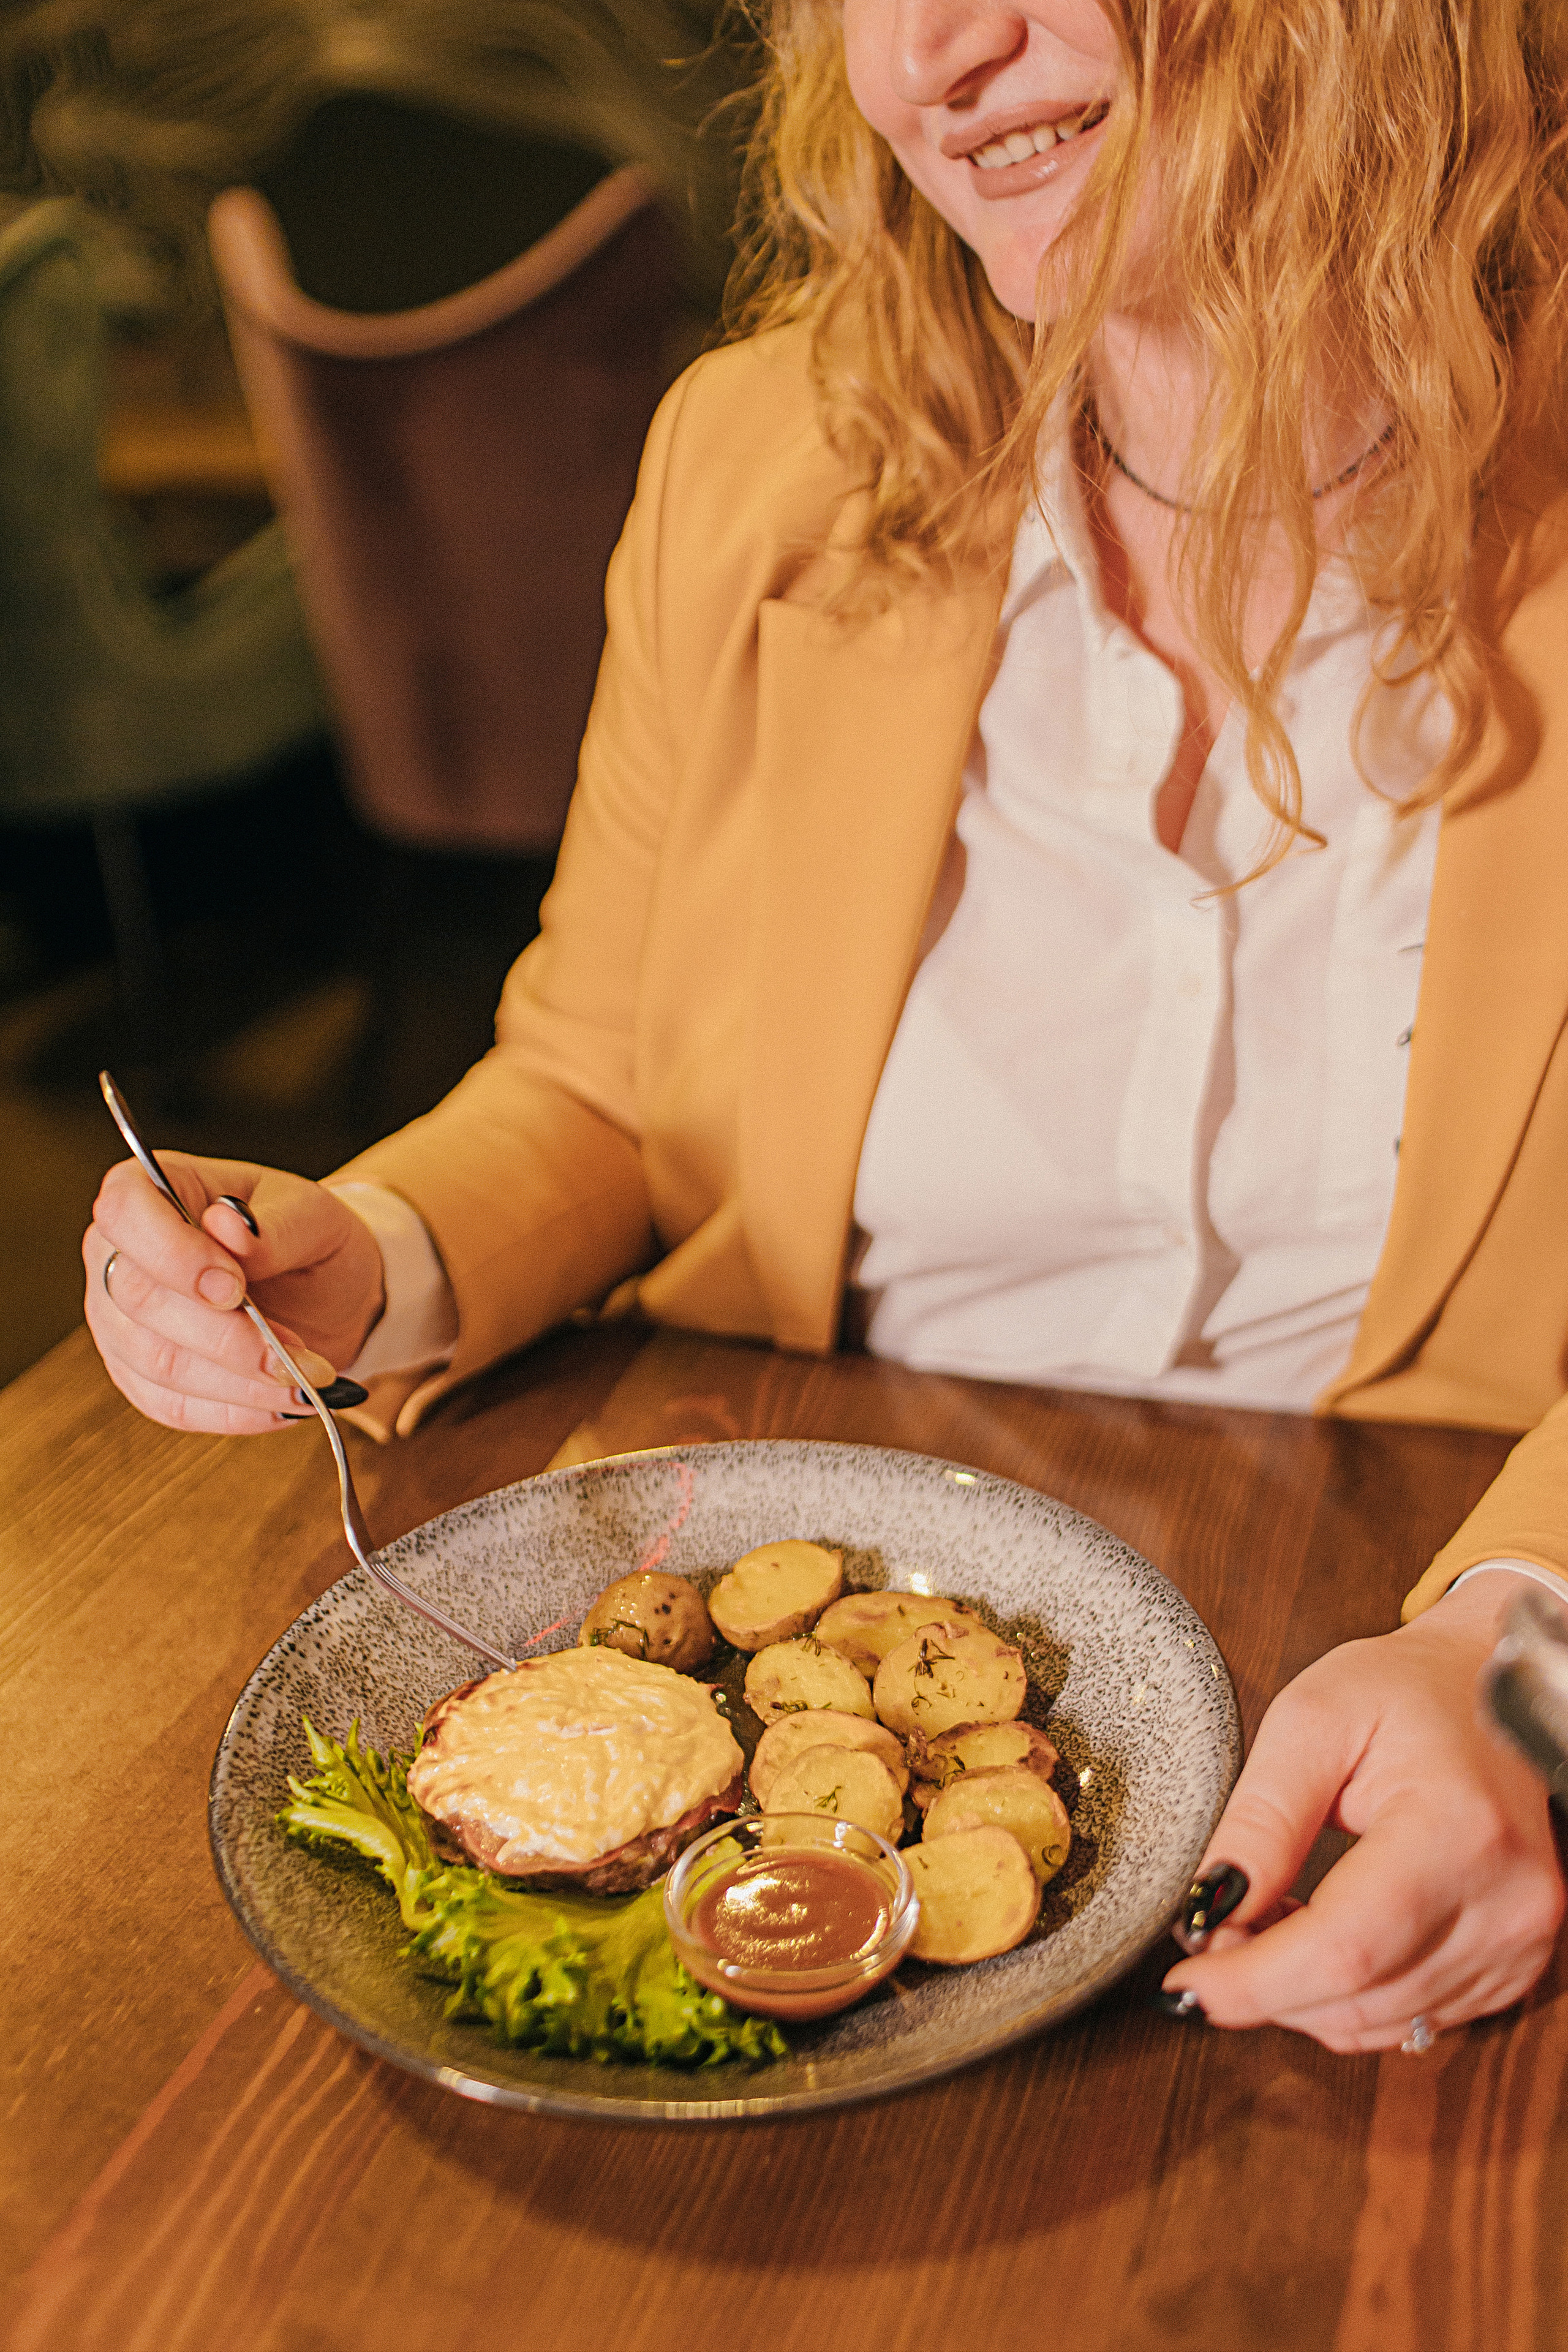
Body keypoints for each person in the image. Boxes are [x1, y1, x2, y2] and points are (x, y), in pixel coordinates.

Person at [83, 0, 1568, 2051]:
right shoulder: (756, 451)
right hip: (819, 1621)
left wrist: (1529, 1666)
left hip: (1408, 1657)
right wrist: (370, 1254)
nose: (936, 46)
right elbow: (602, 1077)